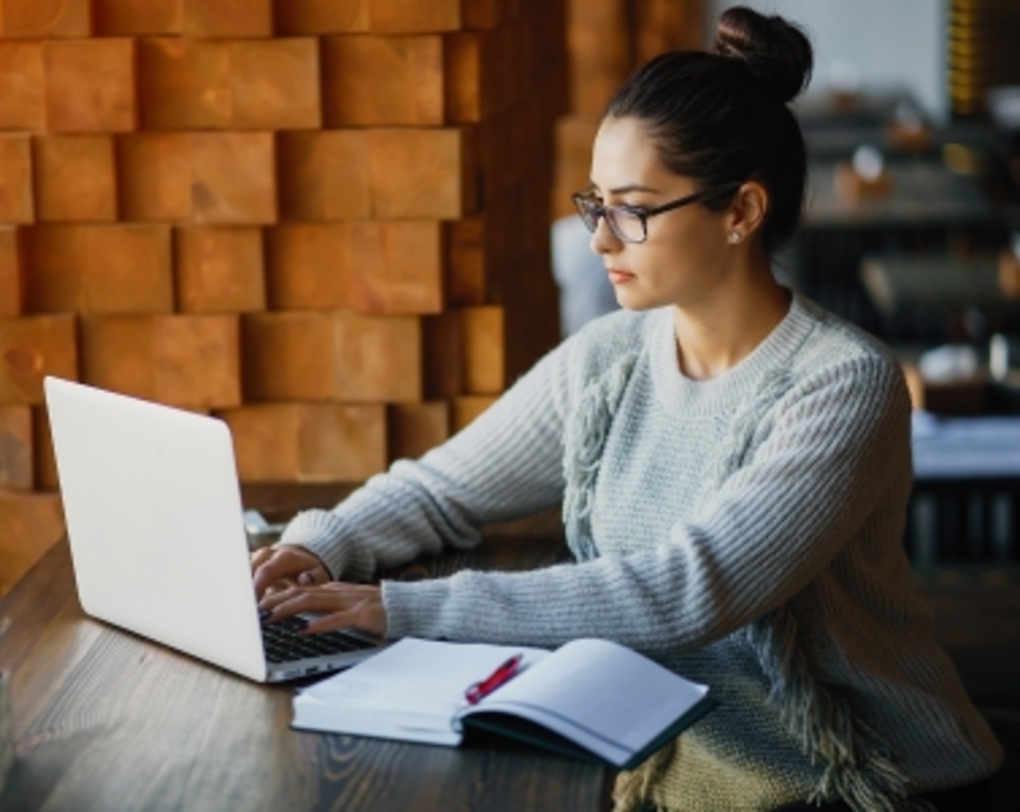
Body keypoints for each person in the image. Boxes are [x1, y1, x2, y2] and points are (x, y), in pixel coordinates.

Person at [252, 7, 1003, 811]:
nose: (600, 241)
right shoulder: (610, 358)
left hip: (850, 774)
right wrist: (322, 546)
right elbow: (442, 488)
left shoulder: (842, 386)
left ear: (741, 213)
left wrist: (401, 610)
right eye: (595, 204)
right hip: (665, 745)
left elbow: (687, 591)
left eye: (633, 209)